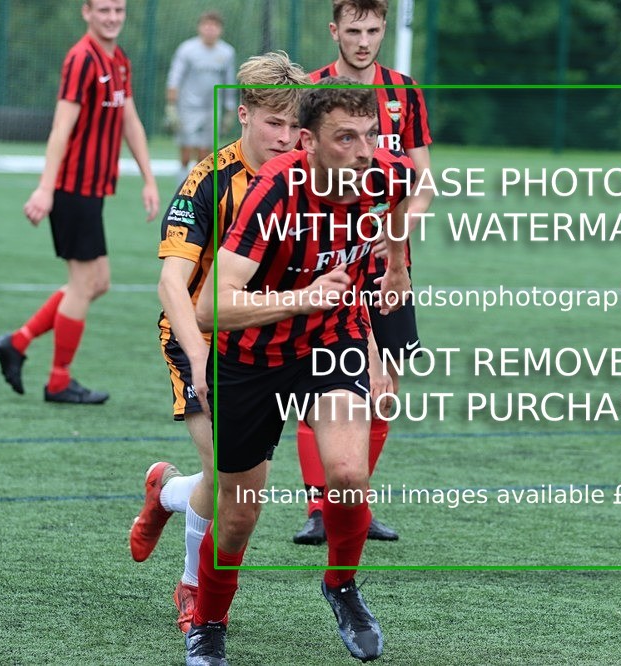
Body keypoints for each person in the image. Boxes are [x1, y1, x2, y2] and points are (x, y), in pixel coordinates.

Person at [184, 79, 415, 665]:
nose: (363, 152)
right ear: (309, 142)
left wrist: (396, 266)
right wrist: (301, 299)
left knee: (348, 474)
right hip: (251, 357)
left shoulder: (379, 172)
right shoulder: (273, 192)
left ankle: (341, 585)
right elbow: (210, 307)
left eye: (370, 136)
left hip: (331, 340)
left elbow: (407, 188)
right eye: (346, 138)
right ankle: (208, 622)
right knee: (238, 515)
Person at [127, 51, 308, 635]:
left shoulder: (306, 177)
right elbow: (171, 284)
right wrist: (199, 353)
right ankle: (192, 587)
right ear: (243, 114)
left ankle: (165, 493)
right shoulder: (208, 181)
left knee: (238, 488)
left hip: (265, 342)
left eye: (294, 125)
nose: (285, 138)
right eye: (273, 123)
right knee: (229, 479)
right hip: (198, 336)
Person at [294, 0, 434, 547]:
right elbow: (292, 169)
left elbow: (422, 181)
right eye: (354, 30)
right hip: (323, 264)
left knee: (384, 387)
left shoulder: (405, 92)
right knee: (319, 384)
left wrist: (396, 232)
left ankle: (352, 503)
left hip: (388, 266)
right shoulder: (311, 89)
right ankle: (318, 508)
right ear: (335, 30)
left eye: (374, 30)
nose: (364, 41)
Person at [0, 0, 158, 404]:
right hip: (72, 190)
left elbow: (130, 121)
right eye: (104, 10)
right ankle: (58, 381)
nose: (112, 17)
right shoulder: (81, 59)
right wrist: (45, 188)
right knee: (84, 284)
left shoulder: (119, 60)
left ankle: (17, 342)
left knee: (98, 283)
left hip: (93, 191)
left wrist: (149, 179)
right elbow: (60, 129)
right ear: (86, 12)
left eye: (118, 10)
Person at [164, 10, 236, 179]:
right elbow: (175, 77)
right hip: (188, 107)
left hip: (212, 109)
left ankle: (197, 188)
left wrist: (230, 110)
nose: (210, 29)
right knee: (186, 150)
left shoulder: (227, 52)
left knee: (205, 153)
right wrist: (171, 105)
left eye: (214, 25)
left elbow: (229, 83)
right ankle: (181, 187)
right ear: (200, 27)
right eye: (207, 25)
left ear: (220, 29)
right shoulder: (187, 49)